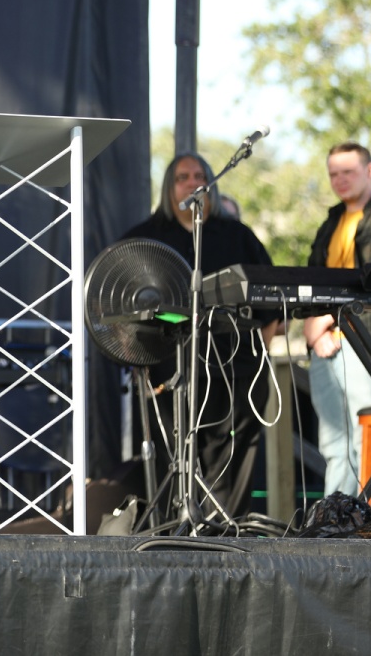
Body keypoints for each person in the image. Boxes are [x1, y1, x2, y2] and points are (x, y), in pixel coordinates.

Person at [120, 153, 279, 516]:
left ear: (211, 184)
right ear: (169, 187)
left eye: (199, 176)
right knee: (175, 459)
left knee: (233, 461)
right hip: (168, 375)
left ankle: (226, 533)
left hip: (236, 372)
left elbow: (271, 305)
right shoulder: (145, 238)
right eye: (182, 177)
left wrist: (259, 357)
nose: (192, 183)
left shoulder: (238, 236)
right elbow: (116, 304)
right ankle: (178, 531)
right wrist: (135, 360)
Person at [302, 142, 371, 496]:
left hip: (370, 340)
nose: (340, 180)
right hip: (325, 345)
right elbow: (312, 277)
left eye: (348, 172)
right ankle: (336, 519)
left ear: (370, 170)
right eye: (333, 174)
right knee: (334, 446)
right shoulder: (331, 221)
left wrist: (325, 320)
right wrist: (316, 331)